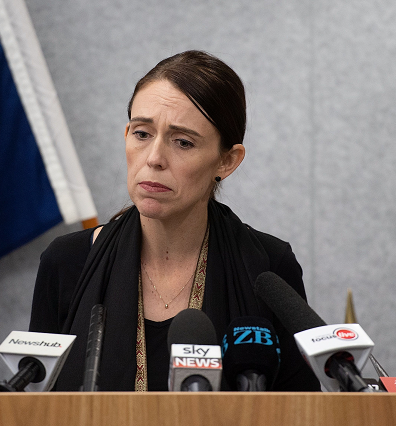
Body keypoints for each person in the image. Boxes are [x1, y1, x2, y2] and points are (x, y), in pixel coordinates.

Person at [29, 50, 321, 391]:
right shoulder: (67, 262)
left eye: (183, 142)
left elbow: (299, 406)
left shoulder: (268, 267)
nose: (154, 158)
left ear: (227, 161)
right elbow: (38, 402)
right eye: (142, 134)